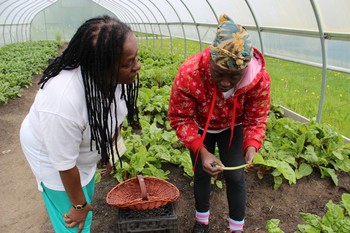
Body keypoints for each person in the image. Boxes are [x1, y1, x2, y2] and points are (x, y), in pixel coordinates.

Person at [20, 15, 141, 233]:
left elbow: (114, 119)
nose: (137, 66)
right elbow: (64, 166)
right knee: (74, 223)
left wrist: (109, 153)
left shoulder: (117, 80)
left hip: (77, 145)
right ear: (101, 65)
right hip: (50, 156)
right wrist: (79, 206)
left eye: (135, 58)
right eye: (128, 63)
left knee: (85, 183)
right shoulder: (62, 101)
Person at [168, 14, 271, 233]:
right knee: (202, 172)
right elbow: (181, 117)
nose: (225, 83)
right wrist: (201, 151)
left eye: (233, 77)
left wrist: (252, 145)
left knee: (235, 175)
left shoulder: (258, 80)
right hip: (200, 127)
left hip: (232, 129)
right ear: (211, 62)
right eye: (218, 74)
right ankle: (201, 221)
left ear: (245, 69)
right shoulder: (190, 74)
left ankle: (237, 228)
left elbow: (256, 118)